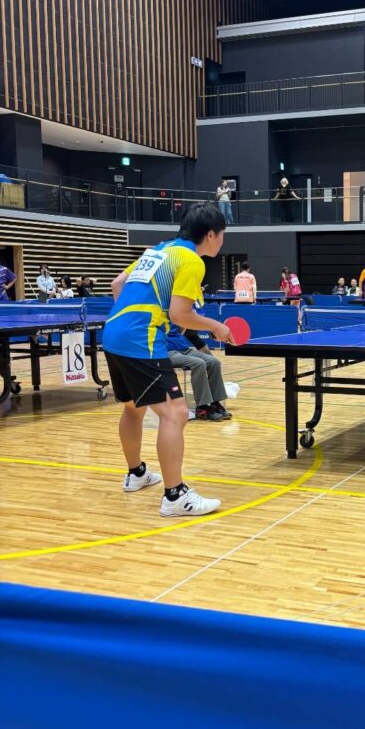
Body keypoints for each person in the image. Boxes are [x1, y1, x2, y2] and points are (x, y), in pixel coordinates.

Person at [103, 201, 233, 517]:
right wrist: (216, 326)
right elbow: (179, 314)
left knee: (133, 408)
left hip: (113, 332)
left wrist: (135, 317)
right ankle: (175, 496)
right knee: (175, 413)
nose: (222, 240)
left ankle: (136, 473)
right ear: (211, 234)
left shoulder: (157, 251)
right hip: (140, 339)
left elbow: (117, 284)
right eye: (222, 234)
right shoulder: (190, 260)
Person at [167, 325, 231, 422]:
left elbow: (182, 330)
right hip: (167, 352)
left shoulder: (174, 317)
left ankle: (215, 404)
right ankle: (202, 407)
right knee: (198, 363)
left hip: (184, 349)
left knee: (214, 362)